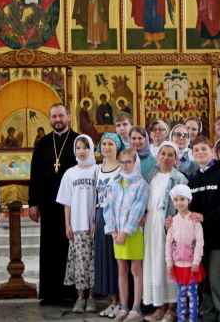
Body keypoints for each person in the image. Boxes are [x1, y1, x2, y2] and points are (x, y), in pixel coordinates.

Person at [28, 104, 80, 305]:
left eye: (61, 116)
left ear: (68, 116)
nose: (58, 120)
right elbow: (35, 174)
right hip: (48, 205)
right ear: (49, 119)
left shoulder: (78, 141)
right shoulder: (42, 144)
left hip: (73, 206)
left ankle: (73, 292)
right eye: (54, 116)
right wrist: (33, 203)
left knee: (71, 248)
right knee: (50, 249)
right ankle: (50, 293)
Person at [186, 136, 220, 322]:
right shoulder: (193, 181)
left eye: (204, 149)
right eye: (196, 150)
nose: (200, 152)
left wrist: (207, 218)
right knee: (203, 279)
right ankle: (208, 314)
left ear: (212, 151)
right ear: (193, 154)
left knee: (216, 278)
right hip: (199, 241)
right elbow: (187, 209)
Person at [143, 141, 188, 322]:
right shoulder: (151, 176)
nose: (166, 158)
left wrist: (176, 220)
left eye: (170, 154)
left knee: (170, 264)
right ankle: (160, 307)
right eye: (163, 153)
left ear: (176, 158)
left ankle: (172, 309)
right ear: (157, 155)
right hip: (151, 223)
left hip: (169, 223)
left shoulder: (179, 178)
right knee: (156, 264)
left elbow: (185, 205)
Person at [103, 149, 150, 322]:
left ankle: (136, 308)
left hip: (133, 233)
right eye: (122, 162)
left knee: (135, 270)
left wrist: (124, 232)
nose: (124, 165)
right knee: (121, 269)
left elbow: (138, 210)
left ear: (135, 163)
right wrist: (114, 231)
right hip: (117, 234)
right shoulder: (115, 184)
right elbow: (108, 209)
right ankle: (123, 307)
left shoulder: (141, 184)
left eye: (128, 162)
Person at [56, 135, 99, 313]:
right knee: (79, 263)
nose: (81, 151)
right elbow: (67, 201)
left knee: (93, 262)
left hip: (93, 225)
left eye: (85, 147)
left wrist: (95, 221)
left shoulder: (98, 170)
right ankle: (80, 298)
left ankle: (92, 297)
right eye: (78, 148)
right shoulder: (70, 173)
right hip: (77, 224)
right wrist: (67, 224)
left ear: (91, 149)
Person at [165, 184, 205, 322]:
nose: (179, 202)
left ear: (189, 200)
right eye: (176, 199)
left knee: (192, 294)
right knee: (181, 295)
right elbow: (168, 243)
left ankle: (192, 319)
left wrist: (196, 261)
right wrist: (169, 262)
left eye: (182, 199)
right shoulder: (172, 221)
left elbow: (199, 242)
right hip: (177, 266)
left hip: (192, 265)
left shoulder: (194, 221)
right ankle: (181, 319)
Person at [95, 133, 124, 318]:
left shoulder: (121, 168)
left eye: (111, 144)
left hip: (116, 216)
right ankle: (112, 301)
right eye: (104, 144)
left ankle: (122, 301)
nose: (107, 147)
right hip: (101, 215)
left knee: (117, 260)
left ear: (117, 146)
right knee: (106, 259)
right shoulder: (98, 169)